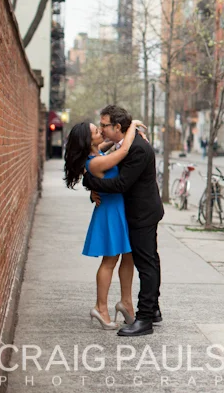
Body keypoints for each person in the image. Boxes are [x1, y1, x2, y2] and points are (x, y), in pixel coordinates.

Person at [83, 105, 164, 337]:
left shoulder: (137, 148)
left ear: (117, 127)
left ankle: (145, 318)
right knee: (148, 261)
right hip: (132, 213)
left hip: (142, 214)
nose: (101, 129)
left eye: (104, 125)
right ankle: (153, 309)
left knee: (146, 264)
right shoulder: (125, 144)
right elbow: (102, 165)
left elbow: (120, 185)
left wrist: (90, 182)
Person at [63, 119, 142, 330]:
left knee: (128, 256)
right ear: (88, 141)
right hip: (110, 213)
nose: (101, 131)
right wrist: (132, 125)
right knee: (109, 261)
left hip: (117, 210)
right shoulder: (96, 162)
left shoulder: (98, 155)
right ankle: (101, 307)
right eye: (97, 131)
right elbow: (123, 150)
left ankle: (126, 303)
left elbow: (109, 147)